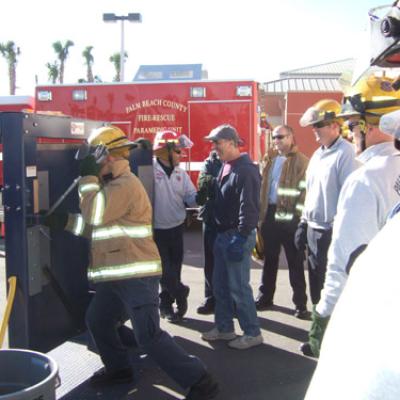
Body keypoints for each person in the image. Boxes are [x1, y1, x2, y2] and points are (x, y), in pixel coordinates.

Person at [44, 126, 218, 399]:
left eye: (93, 158)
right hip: (115, 276)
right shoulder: (112, 187)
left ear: (107, 156)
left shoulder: (124, 185)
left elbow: (93, 213)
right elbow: (98, 229)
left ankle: (200, 382)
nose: (90, 163)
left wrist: (87, 176)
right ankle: (119, 368)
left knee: (149, 335)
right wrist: (63, 222)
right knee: (98, 321)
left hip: (136, 276)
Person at [301, 75, 400, 357]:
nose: (350, 131)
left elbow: (344, 262)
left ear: (370, 124)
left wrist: (323, 317)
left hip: (369, 312)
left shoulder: (365, 180)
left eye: (353, 123)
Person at [201, 124, 263, 350]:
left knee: (238, 287)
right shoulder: (227, 165)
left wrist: (241, 235)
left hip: (237, 236)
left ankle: (252, 332)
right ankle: (225, 328)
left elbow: (250, 208)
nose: (214, 147)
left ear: (230, 142)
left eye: (216, 143)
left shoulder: (246, 169)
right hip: (222, 234)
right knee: (220, 286)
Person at [296, 100, 358, 307]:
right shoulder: (317, 154)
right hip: (314, 230)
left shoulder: (346, 153)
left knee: (330, 288)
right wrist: (303, 223)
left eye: (318, 125)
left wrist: (336, 232)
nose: (314, 130)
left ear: (334, 125)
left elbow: (348, 198)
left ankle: (327, 336)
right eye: (313, 125)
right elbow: (310, 192)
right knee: (315, 285)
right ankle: (317, 334)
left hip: (331, 232)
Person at [255, 125, 309, 319]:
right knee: (269, 259)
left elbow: (304, 193)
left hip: (290, 218)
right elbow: (262, 187)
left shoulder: (302, 162)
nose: (276, 141)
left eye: (280, 137)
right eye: (274, 138)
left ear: (291, 137)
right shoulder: (269, 159)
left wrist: (299, 219)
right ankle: (265, 297)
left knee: (295, 262)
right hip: (269, 215)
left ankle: (300, 304)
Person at [152, 130, 201, 323]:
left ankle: (170, 303)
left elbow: (191, 196)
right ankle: (177, 295)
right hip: (156, 230)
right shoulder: (149, 171)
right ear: (167, 151)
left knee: (174, 268)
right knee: (163, 270)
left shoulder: (181, 174)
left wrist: (202, 196)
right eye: (178, 151)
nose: (182, 155)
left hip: (176, 228)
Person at [196, 150, 222, 315]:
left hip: (229, 220)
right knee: (211, 262)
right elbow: (203, 182)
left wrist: (217, 182)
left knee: (228, 263)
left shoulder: (237, 163)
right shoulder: (209, 163)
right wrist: (224, 181)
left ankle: (230, 300)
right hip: (210, 217)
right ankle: (210, 298)